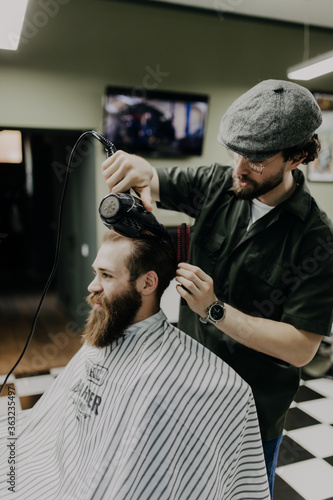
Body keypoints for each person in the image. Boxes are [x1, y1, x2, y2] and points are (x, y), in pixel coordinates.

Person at [101, 79, 333, 498]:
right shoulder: (217, 184)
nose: (240, 168)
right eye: (236, 152)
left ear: (297, 156)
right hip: (186, 394)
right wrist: (140, 169)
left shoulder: (317, 239)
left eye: (257, 160)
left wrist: (215, 309)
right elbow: (153, 181)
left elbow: (301, 346)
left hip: (249, 414)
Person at [0, 228, 270, 499]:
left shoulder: (169, 378)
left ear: (148, 283)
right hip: (54, 466)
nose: (92, 286)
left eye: (106, 275)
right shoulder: (105, 336)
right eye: (96, 273)